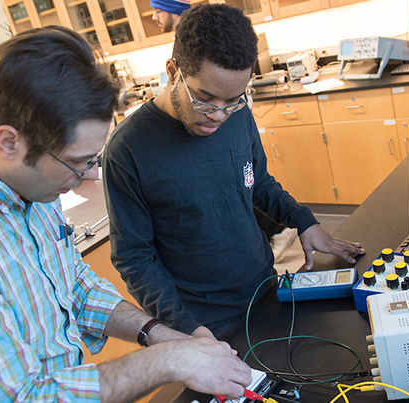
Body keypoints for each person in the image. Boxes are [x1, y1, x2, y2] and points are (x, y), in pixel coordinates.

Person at [0, 26, 253, 403]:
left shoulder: (27, 185)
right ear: (9, 141)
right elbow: (22, 397)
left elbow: (74, 285)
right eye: (78, 163)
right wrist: (171, 361)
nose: (83, 178)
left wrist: (158, 334)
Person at [103, 4, 365, 342]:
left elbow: (257, 182)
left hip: (265, 289)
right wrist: (185, 329)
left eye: (233, 101)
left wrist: (302, 219)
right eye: (205, 100)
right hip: (200, 322)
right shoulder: (127, 150)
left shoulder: (236, 113)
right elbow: (134, 258)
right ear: (172, 71)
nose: (219, 116)